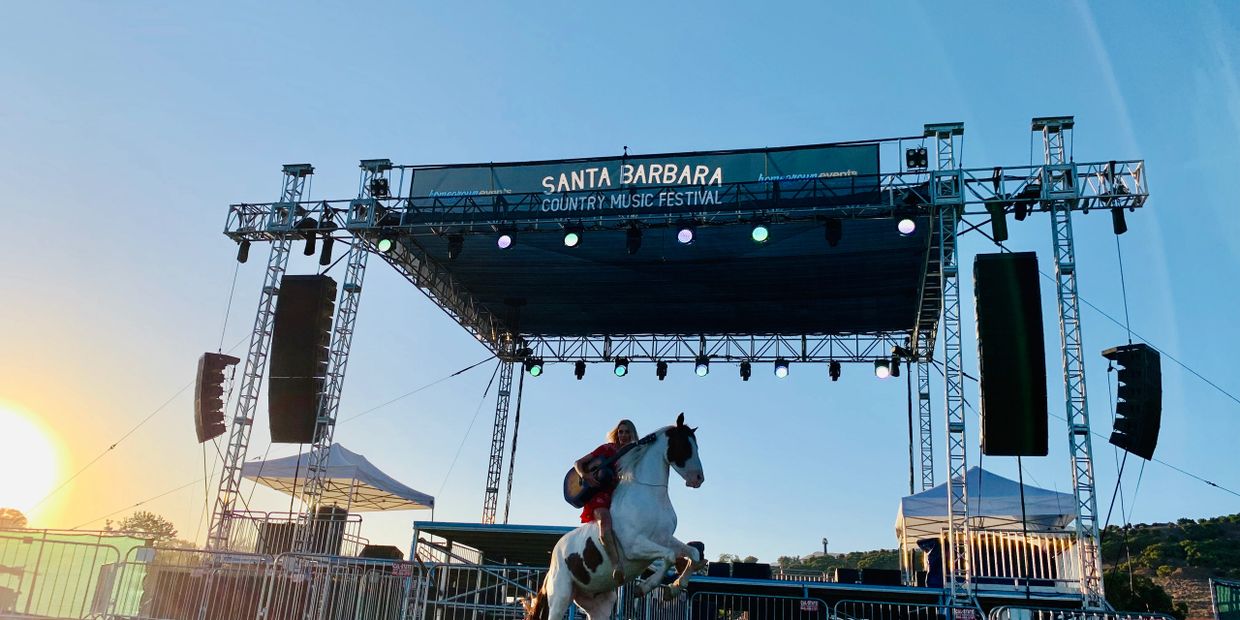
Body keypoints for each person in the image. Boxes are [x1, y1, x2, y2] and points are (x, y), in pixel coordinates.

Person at [575, 419, 637, 581]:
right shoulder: (606, 449)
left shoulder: (633, 453)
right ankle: (616, 564)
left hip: (618, 494)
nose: (623, 435)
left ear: (632, 434)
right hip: (598, 496)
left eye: (627, 432)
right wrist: (584, 475)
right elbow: (578, 462)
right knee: (605, 521)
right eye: (621, 432)